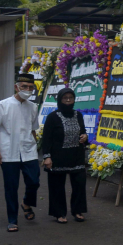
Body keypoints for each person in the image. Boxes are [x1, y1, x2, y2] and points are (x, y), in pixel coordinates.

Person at [0, 73, 40, 232]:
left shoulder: (33, 106)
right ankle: (12, 220)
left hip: (28, 151)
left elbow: (33, 130)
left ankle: (26, 202)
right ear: (16, 87)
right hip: (8, 152)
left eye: (31, 87)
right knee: (11, 188)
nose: (28, 90)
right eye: (24, 86)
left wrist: (36, 147)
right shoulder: (3, 105)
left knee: (34, 181)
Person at [42, 87, 88, 223]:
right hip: (58, 158)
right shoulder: (52, 117)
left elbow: (83, 132)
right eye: (65, 98)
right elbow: (46, 139)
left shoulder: (78, 115)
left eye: (71, 98)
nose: (68, 100)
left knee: (79, 184)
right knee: (57, 186)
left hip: (76, 156)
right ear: (60, 100)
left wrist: (85, 137)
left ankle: (78, 211)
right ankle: (59, 213)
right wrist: (47, 157)